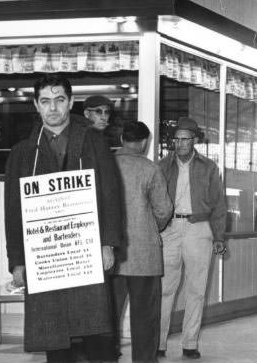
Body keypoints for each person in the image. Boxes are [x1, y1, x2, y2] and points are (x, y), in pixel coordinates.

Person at [5, 74, 122, 362]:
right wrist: (17, 260)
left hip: (86, 253)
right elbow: (13, 210)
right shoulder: (23, 153)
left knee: (96, 336)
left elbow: (110, 195)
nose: (53, 108)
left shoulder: (94, 143)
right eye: (45, 101)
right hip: (46, 259)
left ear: (70, 102)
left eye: (59, 100)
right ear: (36, 105)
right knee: (54, 335)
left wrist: (108, 243)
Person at [158, 117, 227, 360]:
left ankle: (190, 342)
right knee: (165, 288)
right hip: (169, 229)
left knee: (196, 289)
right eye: (176, 139)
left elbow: (219, 204)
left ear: (194, 140)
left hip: (199, 228)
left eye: (184, 139)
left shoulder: (208, 167)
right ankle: (159, 343)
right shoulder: (162, 166)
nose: (179, 144)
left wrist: (219, 236)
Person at [110, 121, 173, 363]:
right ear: (145, 142)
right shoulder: (150, 169)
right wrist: (149, 227)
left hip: (111, 254)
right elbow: (164, 209)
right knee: (145, 316)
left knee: (108, 315)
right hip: (145, 256)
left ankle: (108, 356)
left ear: (122, 139)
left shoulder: (105, 166)